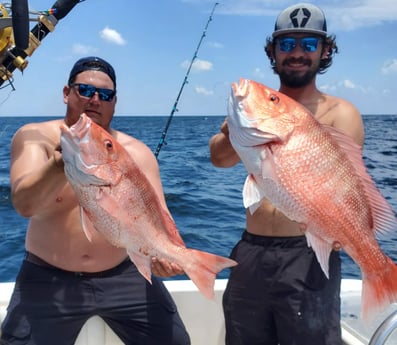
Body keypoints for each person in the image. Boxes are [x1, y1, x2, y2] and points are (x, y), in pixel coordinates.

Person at [1, 56, 190, 345]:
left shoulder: (137, 153)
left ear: (115, 103)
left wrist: (168, 254)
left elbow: (160, 216)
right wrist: (59, 164)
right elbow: (24, 205)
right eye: (85, 90)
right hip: (47, 277)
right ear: (67, 93)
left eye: (106, 95)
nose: (95, 100)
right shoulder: (34, 137)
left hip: (123, 274)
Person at [209, 3, 365, 345]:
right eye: (287, 44)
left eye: (308, 45)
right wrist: (234, 130)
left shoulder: (342, 113)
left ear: (324, 51)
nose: (297, 53)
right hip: (251, 252)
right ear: (273, 51)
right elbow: (219, 160)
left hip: (308, 253)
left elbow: (349, 185)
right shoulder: (259, 106)